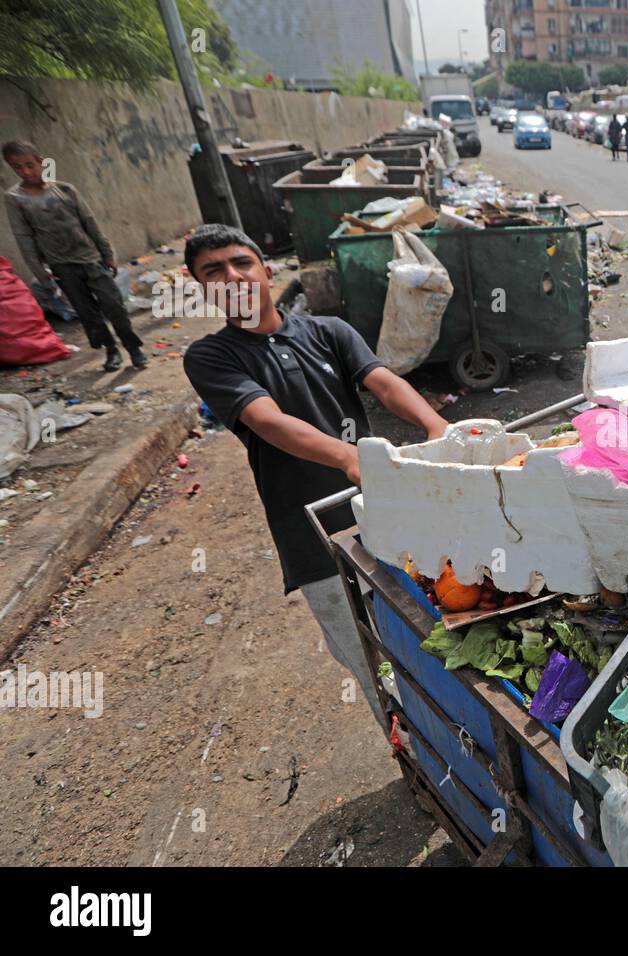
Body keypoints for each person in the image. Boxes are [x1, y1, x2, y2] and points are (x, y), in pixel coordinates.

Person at [181, 224, 449, 727]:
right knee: (368, 655)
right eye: (213, 271)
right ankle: (412, 751)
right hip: (313, 537)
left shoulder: (329, 331)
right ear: (200, 287)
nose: (232, 277)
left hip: (385, 517)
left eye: (241, 263)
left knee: (430, 631)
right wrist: (351, 460)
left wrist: (435, 424)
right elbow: (268, 421)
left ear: (265, 269)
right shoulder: (211, 357)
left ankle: (458, 744)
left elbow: (384, 383)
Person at [3, 140, 146, 371]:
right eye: (18, 167)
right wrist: (41, 274)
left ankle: (134, 348)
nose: (26, 172)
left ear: (41, 162)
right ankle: (111, 350)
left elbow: (90, 222)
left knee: (114, 306)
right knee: (87, 314)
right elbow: (24, 238)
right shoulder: (15, 198)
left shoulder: (65, 190)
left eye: (30, 165)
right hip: (61, 266)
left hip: (91, 259)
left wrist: (107, 253)